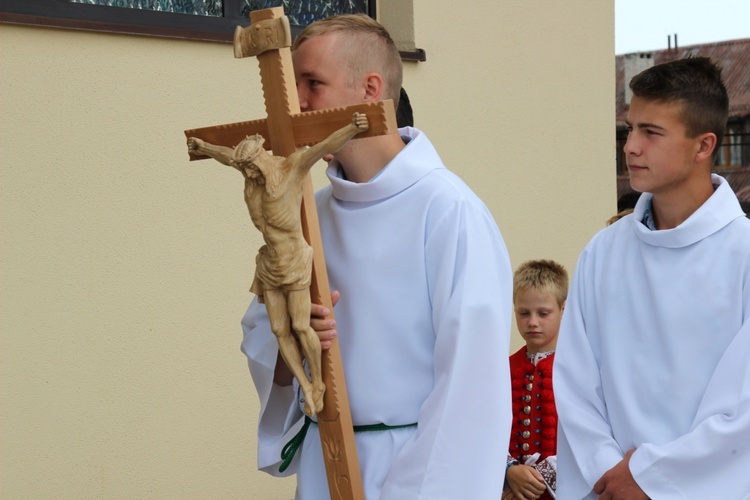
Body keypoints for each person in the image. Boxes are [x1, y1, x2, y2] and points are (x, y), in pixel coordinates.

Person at [240, 13, 514, 499]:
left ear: (369, 89)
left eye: (312, 83)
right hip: (327, 462)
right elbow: (271, 355)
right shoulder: (309, 215)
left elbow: (471, 390)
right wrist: (299, 345)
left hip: (417, 471)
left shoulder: (449, 211)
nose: (295, 103)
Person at [554, 56, 750, 499]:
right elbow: (575, 382)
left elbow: (744, 413)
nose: (630, 146)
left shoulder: (743, 254)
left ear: (703, 146)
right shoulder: (604, 251)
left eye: (651, 132)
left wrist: (651, 478)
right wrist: (611, 474)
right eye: (630, 128)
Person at [188, 113, 369, 417]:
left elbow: (324, 143)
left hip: (295, 259)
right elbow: (226, 156)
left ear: (260, 158)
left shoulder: (291, 168)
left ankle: (318, 382)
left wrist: (351, 127)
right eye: (244, 169)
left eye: (250, 167)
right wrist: (203, 146)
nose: (246, 173)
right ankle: (305, 384)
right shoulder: (251, 177)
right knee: (278, 329)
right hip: (269, 262)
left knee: (300, 325)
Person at [504, 260, 568, 500]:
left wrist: (536, 480)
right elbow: (487, 427)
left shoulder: (578, 369)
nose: (532, 322)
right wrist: (509, 471)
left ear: (562, 309)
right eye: (523, 313)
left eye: (543, 313)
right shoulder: (504, 369)